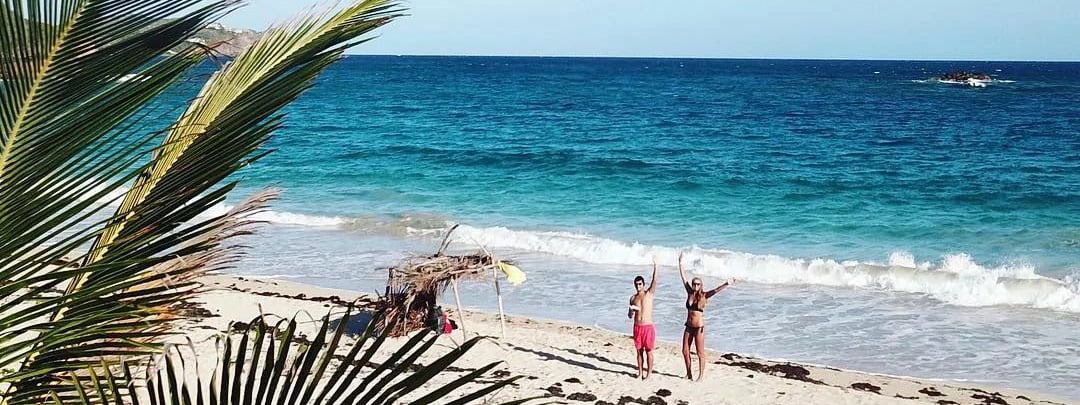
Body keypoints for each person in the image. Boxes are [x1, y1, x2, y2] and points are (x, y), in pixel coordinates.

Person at [678, 252, 735, 381]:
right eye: (694, 284)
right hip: (688, 326)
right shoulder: (689, 292)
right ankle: (689, 373)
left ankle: (701, 376)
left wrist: (727, 283)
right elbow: (683, 277)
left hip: (699, 328)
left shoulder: (704, 296)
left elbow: (716, 290)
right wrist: (680, 262)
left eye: (698, 284)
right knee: (685, 351)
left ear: (701, 285)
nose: (696, 286)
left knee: (700, 353)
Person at [628, 256, 658, 380]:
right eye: (636, 284)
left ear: (643, 284)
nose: (638, 286)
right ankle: (640, 372)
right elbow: (630, 316)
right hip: (637, 327)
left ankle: (649, 373)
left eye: (640, 284)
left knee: (649, 351)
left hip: (648, 326)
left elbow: (655, 281)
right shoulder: (633, 298)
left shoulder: (648, 294)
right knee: (639, 351)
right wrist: (631, 310)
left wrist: (656, 266)